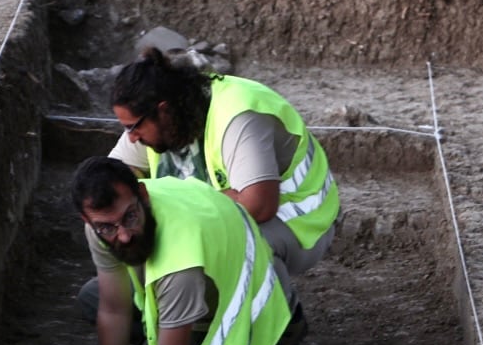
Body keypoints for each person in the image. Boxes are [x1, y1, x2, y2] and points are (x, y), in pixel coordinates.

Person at [63, 156, 303, 345]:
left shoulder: (179, 263)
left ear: (143, 196)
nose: (122, 235)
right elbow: (113, 309)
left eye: (131, 218)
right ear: (88, 221)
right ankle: (167, 332)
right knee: (91, 299)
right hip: (206, 271)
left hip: (251, 300)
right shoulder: (104, 223)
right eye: (107, 228)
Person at [107, 48, 339, 277]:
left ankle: (283, 311)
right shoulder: (153, 118)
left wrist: (165, 203)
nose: (131, 138)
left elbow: (258, 206)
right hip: (231, 213)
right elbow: (110, 181)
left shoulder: (238, 114)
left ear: (164, 111)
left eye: (133, 127)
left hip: (300, 220)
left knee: (225, 247)